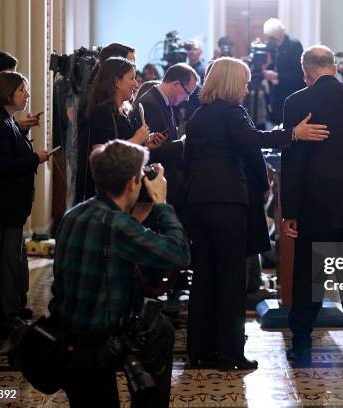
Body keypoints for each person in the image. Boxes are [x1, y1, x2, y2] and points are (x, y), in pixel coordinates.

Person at [183, 57, 329, 371]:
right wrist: (293, 134)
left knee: (204, 278)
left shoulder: (199, 115)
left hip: (198, 203)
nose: (249, 88)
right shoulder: (233, 113)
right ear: (233, 83)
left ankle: (199, 350)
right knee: (232, 279)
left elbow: (188, 160)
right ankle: (231, 353)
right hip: (227, 203)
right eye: (246, 82)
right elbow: (252, 141)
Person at [49, 140, 190, 407]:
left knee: (160, 331)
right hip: (101, 342)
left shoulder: (73, 215)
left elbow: (114, 242)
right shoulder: (118, 226)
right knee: (160, 331)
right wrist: (160, 202)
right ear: (132, 184)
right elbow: (179, 254)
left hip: (66, 336)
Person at [281, 45, 343, 382]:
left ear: (306, 71)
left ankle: (301, 346)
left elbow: (292, 162)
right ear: (334, 67)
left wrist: (290, 210)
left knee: (309, 281)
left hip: (317, 205)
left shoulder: (297, 102)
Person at [0, 72, 50, 330]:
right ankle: (7, 314)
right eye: (23, 90)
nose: (27, 95)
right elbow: (1, 165)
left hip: (13, 203)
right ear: (8, 93)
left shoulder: (7, 120)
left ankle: (15, 305)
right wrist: (36, 159)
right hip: (6, 203)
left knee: (16, 255)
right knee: (9, 259)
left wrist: (23, 129)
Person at [74, 57, 162, 204]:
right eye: (132, 78)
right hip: (111, 192)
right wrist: (137, 140)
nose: (136, 83)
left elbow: (123, 142)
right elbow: (100, 153)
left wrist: (146, 144)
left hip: (125, 185)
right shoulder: (102, 111)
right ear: (116, 81)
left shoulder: (124, 109)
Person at [135, 63, 200, 207]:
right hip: (152, 192)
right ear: (176, 84)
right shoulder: (150, 103)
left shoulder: (163, 101)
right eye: (187, 93)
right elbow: (151, 151)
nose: (187, 99)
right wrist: (182, 144)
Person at [262, 18, 305, 125]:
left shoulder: (294, 45)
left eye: (276, 38)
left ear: (282, 32)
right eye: (270, 38)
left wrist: (276, 75)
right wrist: (267, 70)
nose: (274, 41)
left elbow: (298, 73)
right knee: (276, 122)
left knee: (288, 123)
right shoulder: (272, 45)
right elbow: (276, 64)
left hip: (291, 92)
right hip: (276, 93)